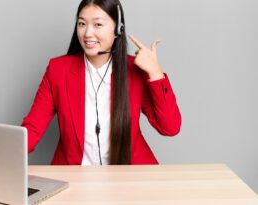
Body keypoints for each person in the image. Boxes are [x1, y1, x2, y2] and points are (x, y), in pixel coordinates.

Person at [21, 0, 181, 165]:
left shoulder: (135, 70)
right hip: (74, 176)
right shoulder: (58, 70)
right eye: (82, 23)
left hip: (130, 175)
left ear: (118, 29)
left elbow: (170, 127)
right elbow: (33, 128)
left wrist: (155, 73)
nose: (87, 33)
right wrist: (4, 157)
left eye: (98, 24)